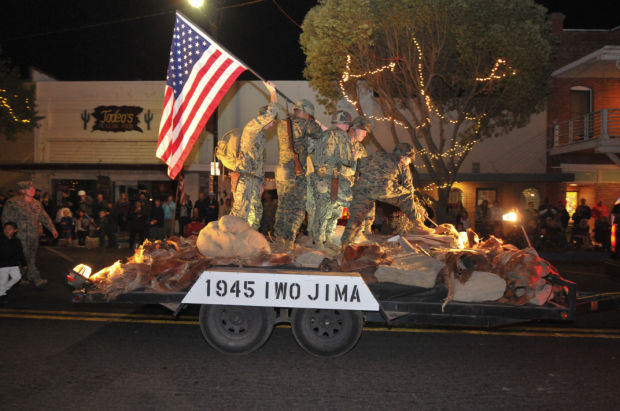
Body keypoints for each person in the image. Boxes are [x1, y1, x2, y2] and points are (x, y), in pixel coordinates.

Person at [340, 143, 427, 247]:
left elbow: (360, 165)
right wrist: (414, 205)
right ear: (405, 156)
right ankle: (418, 225)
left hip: (363, 188)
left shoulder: (378, 155)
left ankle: (345, 245)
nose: (409, 163)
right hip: (383, 188)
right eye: (409, 160)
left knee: (356, 219)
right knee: (407, 196)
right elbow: (408, 188)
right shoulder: (402, 164)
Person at [272, 98, 323, 248]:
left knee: (283, 206)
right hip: (296, 172)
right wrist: (316, 122)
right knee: (298, 208)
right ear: (307, 113)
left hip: (282, 171)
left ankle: (279, 238)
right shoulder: (304, 124)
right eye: (310, 115)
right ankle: (289, 240)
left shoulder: (282, 124)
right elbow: (318, 132)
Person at [230, 81, 278, 230]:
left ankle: (250, 244)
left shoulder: (261, 136)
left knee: (255, 214)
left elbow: (259, 161)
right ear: (264, 118)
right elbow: (272, 111)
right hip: (245, 177)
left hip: (254, 180)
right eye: (271, 122)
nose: (272, 124)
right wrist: (272, 92)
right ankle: (232, 242)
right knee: (240, 213)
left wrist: (261, 182)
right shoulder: (252, 128)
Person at [308, 110, 354, 248]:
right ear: (346, 125)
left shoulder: (320, 134)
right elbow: (348, 161)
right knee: (332, 210)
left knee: (322, 210)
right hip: (332, 178)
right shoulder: (342, 136)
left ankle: (321, 241)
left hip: (317, 178)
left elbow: (309, 149)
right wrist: (354, 155)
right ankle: (322, 242)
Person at [1, 181, 58, 287]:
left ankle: (21, 277)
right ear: (22, 191)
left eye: (33, 188)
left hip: (33, 236)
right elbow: (6, 218)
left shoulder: (37, 203)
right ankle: (34, 277)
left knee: (31, 257)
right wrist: (9, 233)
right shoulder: (12, 202)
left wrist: (52, 229)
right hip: (19, 236)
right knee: (23, 257)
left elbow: (44, 217)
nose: (32, 190)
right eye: (29, 188)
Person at [0, 222, 26, 300]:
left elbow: (20, 252)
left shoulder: (17, 241)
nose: (7, 231)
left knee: (17, 277)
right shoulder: (1, 240)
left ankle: (4, 289)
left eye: (10, 229)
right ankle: (1, 296)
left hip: (14, 264)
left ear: (15, 230)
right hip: (2, 265)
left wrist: (24, 263)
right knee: (3, 280)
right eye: (5, 229)